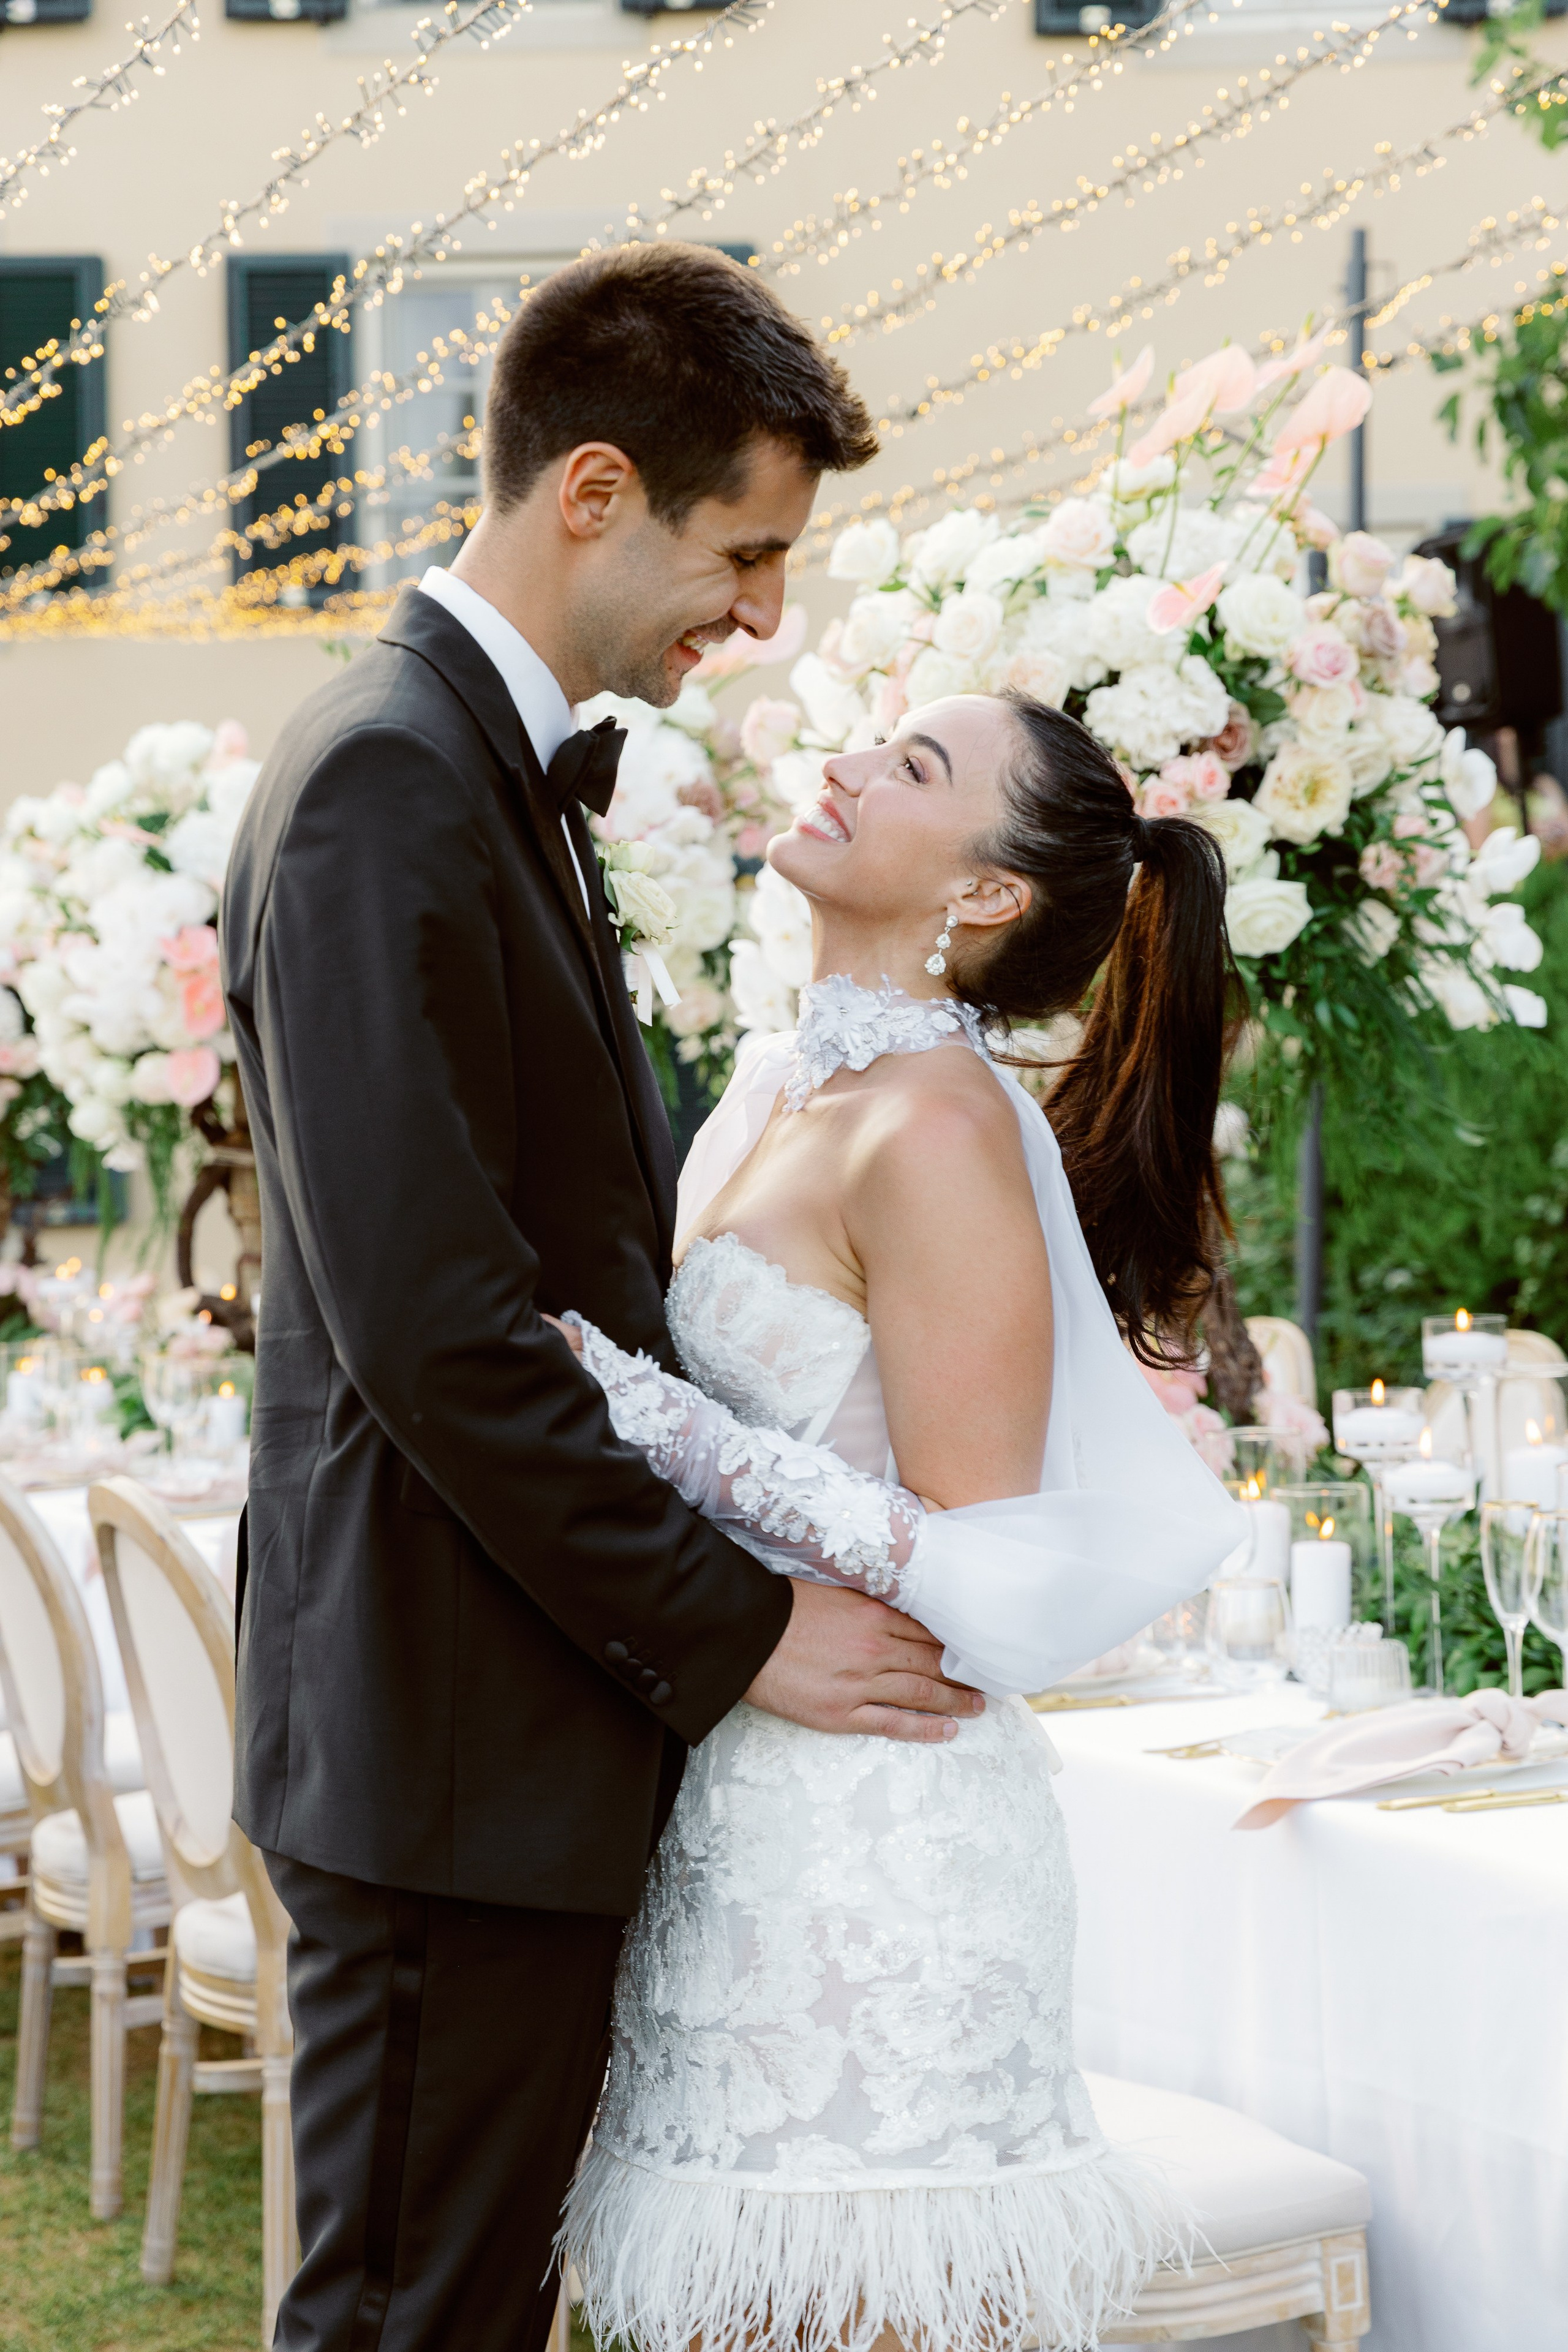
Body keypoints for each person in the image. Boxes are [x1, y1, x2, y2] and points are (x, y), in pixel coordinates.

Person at [219, 243, 986, 2352]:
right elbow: (441, 1326)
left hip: (513, 1738)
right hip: (448, 1738)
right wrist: (742, 1629)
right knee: (407, 2321)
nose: (759, 614)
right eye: (741, 552)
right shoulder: (391, 781)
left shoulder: (485, 772)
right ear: (588, 491)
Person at [551, 691, 1249, 2352]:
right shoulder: (779, 1078)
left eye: (914, 767)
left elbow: (972, 1535)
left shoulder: (937, 1124)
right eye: (875, 737)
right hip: (739, 1780)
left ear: (989, 897)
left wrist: (641, 1413)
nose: (849, 761)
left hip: (881, 1828)